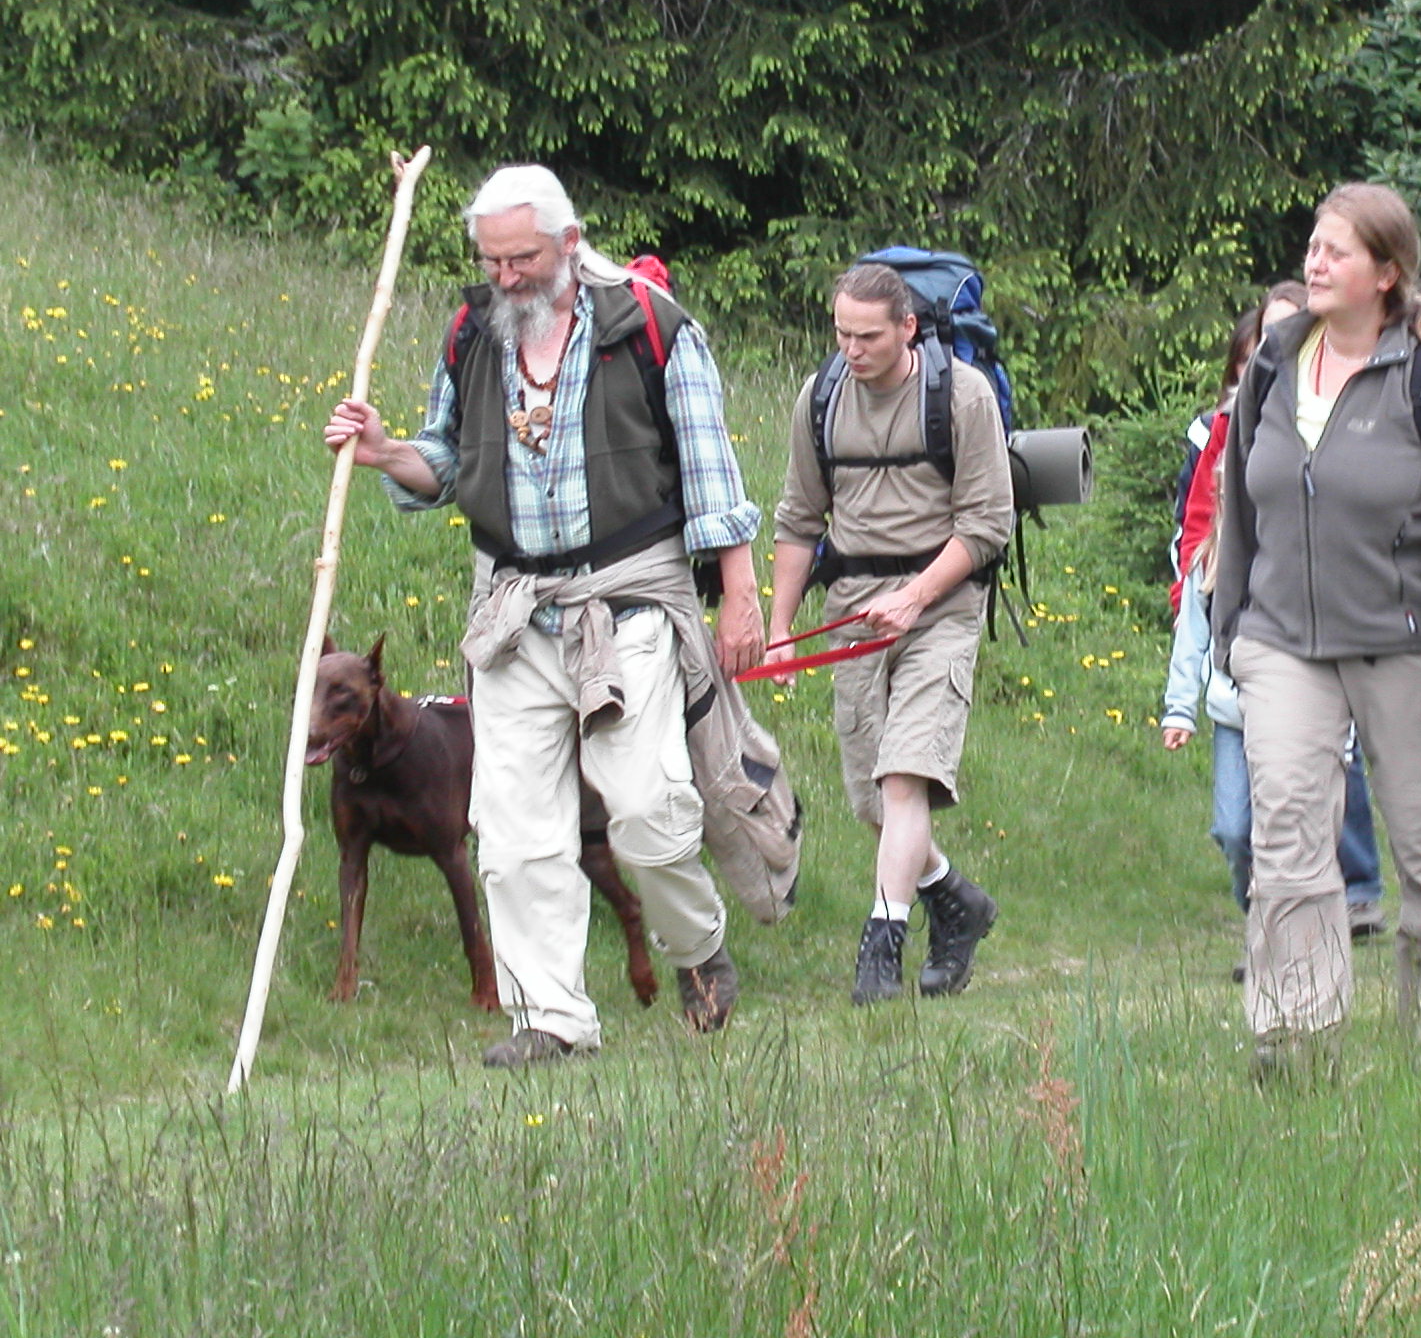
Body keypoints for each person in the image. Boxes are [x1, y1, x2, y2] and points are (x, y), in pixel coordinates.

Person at [324, 163, 759, 1068]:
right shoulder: (474, 335)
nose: (507, 277)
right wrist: (383, 451)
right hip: (513, 609)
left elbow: (714, 477)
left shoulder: (651, 327)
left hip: (628, 594)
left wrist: (742, 595)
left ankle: (697, 946)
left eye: (522, 258)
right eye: (492, 261)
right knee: (515, 831)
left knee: (644, 807)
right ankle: (552, 1018)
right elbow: (444, 464)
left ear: (568, 244)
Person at [1211, 183, 1421, 1077]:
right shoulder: (1270, 365)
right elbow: (1238, 503)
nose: (1315, 262)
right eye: (1313, 245)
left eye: (1338, 251)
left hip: (1406, 645)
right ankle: (1297, 1044)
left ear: (1389, 273)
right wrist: (1233, 626)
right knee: (1289, 840)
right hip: (1282, 641)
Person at [769, 261, 1016, 1002]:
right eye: (842, 334)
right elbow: (796, 520)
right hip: (851, 610)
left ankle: (881, 947)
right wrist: (781, 627)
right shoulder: (820, 398)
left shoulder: (963, 397)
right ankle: (956, 901)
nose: (853, 349)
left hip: (940, 607)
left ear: (908, 328)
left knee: (904, 774)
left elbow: (986, 525)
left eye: (868, 335)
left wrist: (915, 598)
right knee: (875, 804)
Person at [1161, 304, 1385, 940]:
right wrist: (1180, 707)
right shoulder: (1218, 452)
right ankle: (1264, 908)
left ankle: (1302, 920)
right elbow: (1195, 620)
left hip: (1312, 684)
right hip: (1234, 704)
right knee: (1236, 826)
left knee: (1305, 813)